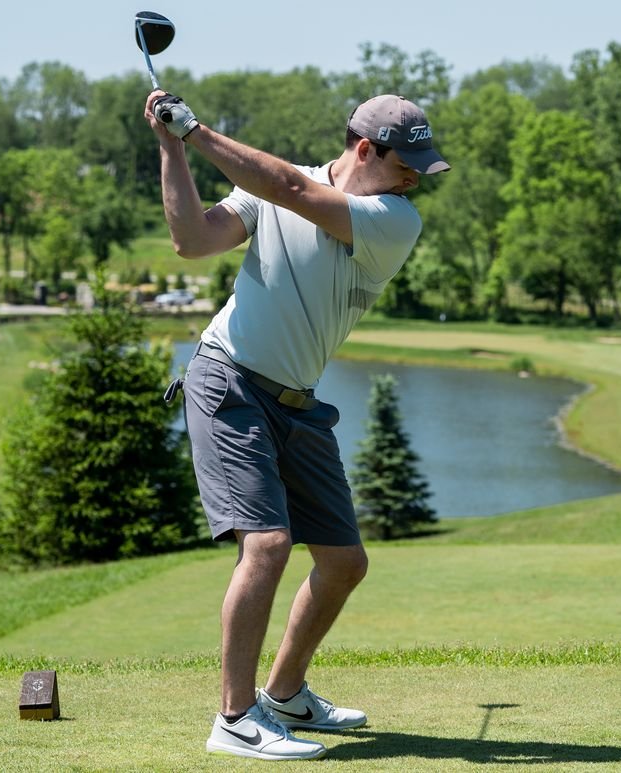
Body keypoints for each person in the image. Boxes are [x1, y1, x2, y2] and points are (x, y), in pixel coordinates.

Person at [145, 89, 449, 761]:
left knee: (343, 561)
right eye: (409, 164)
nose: (417, 180)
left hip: (298, 401)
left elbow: (286, 186)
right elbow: (193, 240)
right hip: (229, 377)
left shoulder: (393, 218)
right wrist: (173, 148)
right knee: (269, 544)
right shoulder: (277, 188)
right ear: (366, 150)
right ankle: (234, 716)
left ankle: (282, 695)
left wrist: (194, 130)